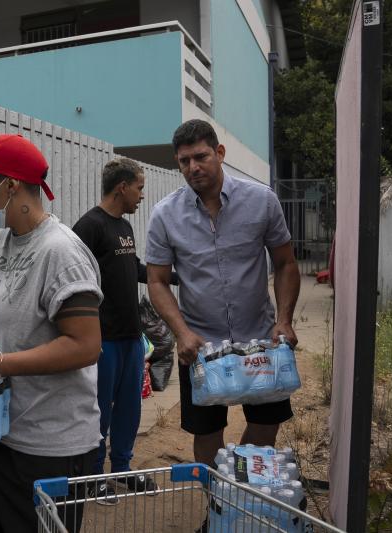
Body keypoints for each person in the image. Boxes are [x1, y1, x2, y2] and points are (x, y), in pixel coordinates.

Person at [0, 133, 103, 533]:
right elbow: (21, 297)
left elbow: (85, 345)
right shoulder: (12, 239)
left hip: (47, 446)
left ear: (10, 185)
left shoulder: (61, 252)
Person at [146, 119, 301, 469]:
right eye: (184, 161)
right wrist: (181, 333)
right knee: (207, 433)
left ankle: (241, 496)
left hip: (260, 340)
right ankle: (219, 506)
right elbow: (156, 281)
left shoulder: (261, 201)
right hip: (200, 348)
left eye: (200, 156)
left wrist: (285, 321)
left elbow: (286, 263)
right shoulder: (165, 215)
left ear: (220, 152)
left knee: (265, 425)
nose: (193, 167)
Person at [72, 158, 176, 502]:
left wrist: (176, 275)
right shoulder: (89, 226)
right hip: (102, 341)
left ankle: (121, 469)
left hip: (132, 339)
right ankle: (92, 476)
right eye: (139, 188)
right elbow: (73, 278)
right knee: (98, 410)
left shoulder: (125, 228)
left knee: (130, 409)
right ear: (122, 187)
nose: (141, 195)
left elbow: (135, 270)